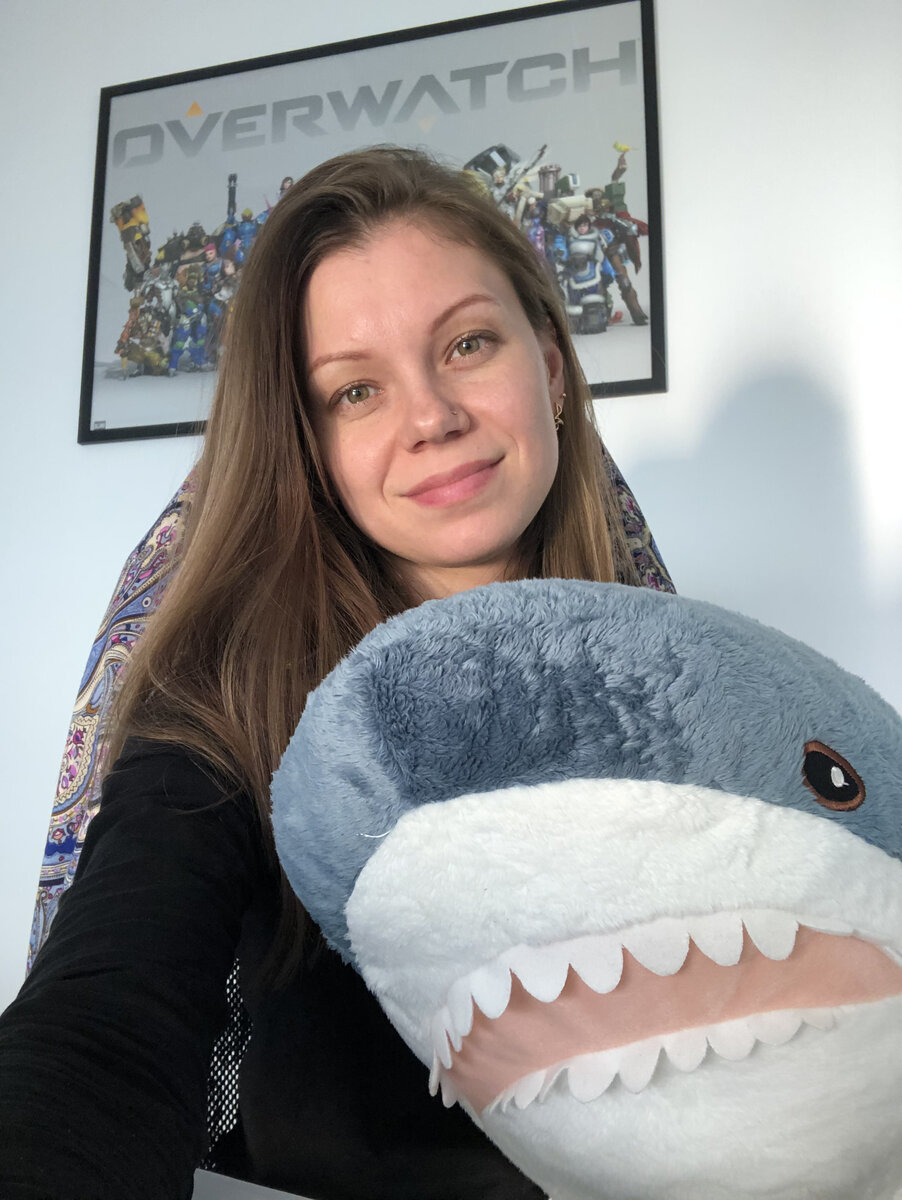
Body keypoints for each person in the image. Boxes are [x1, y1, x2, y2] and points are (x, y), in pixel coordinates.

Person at [0, 146, 669, 1200]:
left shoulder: (674, 677)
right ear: (307, 445)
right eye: (355, 390)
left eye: (467, 343)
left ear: (548, 363)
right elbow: (105, 1020)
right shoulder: (228, 701)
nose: (430, 417)